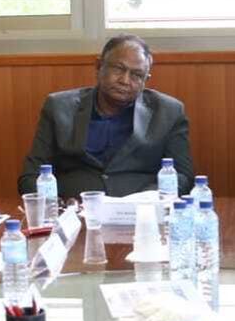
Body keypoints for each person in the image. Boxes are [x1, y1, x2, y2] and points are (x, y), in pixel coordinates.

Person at [18, 34, 194, 198]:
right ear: (98, 66)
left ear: (146, 79)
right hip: (75, 215)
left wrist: (149, 200)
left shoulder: (168, 112)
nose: (125, 80)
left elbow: (183, 176)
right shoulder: (59, 107)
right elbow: (31, 176)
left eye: (137, 75)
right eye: (118, 69)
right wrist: (57, 207)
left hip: (141, 216)